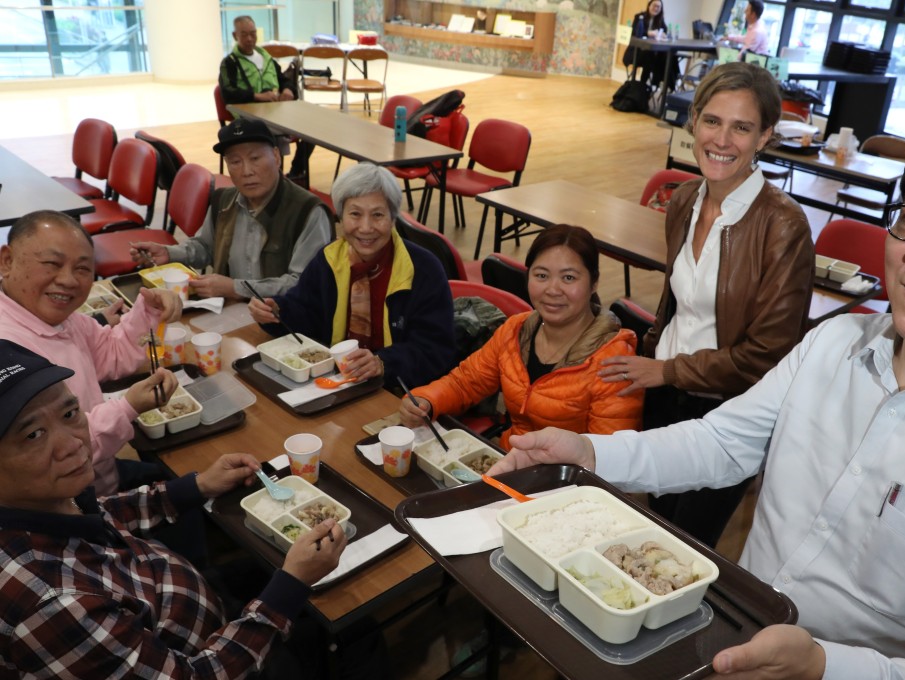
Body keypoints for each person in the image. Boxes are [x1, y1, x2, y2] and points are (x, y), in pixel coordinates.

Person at [492, 107, 905, 679]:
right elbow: (723, 442)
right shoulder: (834, 343)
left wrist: (824, 667)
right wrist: (590, 453)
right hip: (724, 632)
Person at [0, 339, 346, 676]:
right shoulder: (52, 604)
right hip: (211, 657)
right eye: (33, 435)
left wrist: (197, 486)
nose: (73, 443)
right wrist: (290, 587)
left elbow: (105, 513)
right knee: (347, 634)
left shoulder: (48, 499)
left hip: (180, 597)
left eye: (70, 412)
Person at [599, 61, 814, 547]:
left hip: (728, 413)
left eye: (742, 128)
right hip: (664, 393)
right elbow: (675, 305)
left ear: (764, 137)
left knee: (684, 543)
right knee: (654, 523)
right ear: (693, 121)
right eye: (712, 121)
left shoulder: (784, 226)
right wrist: (650, 360)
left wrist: (666, 371)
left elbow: (767, 357)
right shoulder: (684, 199)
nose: (722, 139)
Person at [399, 225, 644, 449]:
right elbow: (466, 382)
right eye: (541, 275)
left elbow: (609, 456)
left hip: (567, 484)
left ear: (594, 284)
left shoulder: (615, 361)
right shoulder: (516, 330)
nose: (552, 289)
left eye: (569, 278)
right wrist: (427, 400)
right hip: (510, 459)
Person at [0, 210, 181, 496]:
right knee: (190, 500)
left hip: (103, 472)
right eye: (52, 263)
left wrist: (148, 310)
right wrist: (127, 407)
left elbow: (110, 354)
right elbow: (60, 453)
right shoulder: (8, 352)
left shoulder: (57, 316)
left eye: (82, 269)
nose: (69, 280)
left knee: (185, 477)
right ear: (7, 261)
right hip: (76, 507)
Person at [249, 162, 456, 390]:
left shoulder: (423, 270)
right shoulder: (330, 260)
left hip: (400, 392)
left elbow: (436, 349)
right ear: (340, 217)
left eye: (377, 215)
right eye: (355, 214)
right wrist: (278, 313)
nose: (366, 228)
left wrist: (384, 363)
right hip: (339, 382)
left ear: (393, 219)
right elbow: (307, 314)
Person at [130, 118, 333, 301]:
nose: (246, 171)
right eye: (235, 162)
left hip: (283, 320)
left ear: (276, 157)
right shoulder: (223, 200)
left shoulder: (308, 212)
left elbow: (303, 283)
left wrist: (235, 288)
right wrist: (169, 253)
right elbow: (206, 247)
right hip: (229, 309)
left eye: (255, 158)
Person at [218, 14, 314, 182]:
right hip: (248, 117)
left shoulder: (266, 58)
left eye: (253, 34)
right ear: (235, 36)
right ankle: (274, 178)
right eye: (244, 34)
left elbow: (284, 79)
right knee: (268, 133)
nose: (250, 39)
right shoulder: (230, 63)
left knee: (311, 130)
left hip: (276, 113)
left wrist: (288, 90)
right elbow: (228, 92)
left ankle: (295, 173)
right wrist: (257, 96)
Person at [623, 0, 668, 88]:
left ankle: (647, 86)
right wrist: (648, 33)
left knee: (667, 58)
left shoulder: (660, 20)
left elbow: (665, 31)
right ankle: (641, 86)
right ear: (649, 5)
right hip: (636, 51)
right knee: (651, 58)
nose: (656, 8)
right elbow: (635, 32)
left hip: (650, 52)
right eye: (654, 5)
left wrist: (663, 35)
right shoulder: (639, 17)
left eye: (659, 7)